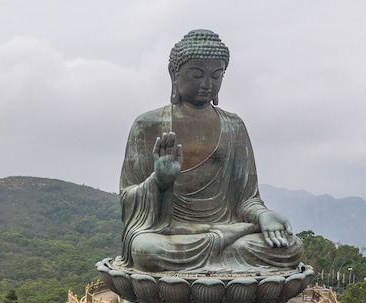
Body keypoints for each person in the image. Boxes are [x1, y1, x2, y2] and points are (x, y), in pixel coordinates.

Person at [116, 30, 303, 274]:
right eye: (196, 75)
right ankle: (224, 259)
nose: (207, 85)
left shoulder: (233, 126)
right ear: (174, 74)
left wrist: (262, 216)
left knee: (290, 247)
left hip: (229, 231)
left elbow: (246, 199)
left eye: (216, 76)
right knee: (146, 251)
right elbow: (127, 197)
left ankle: (221, 254)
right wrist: (159, 180)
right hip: (171, 234)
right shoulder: (147, 125)